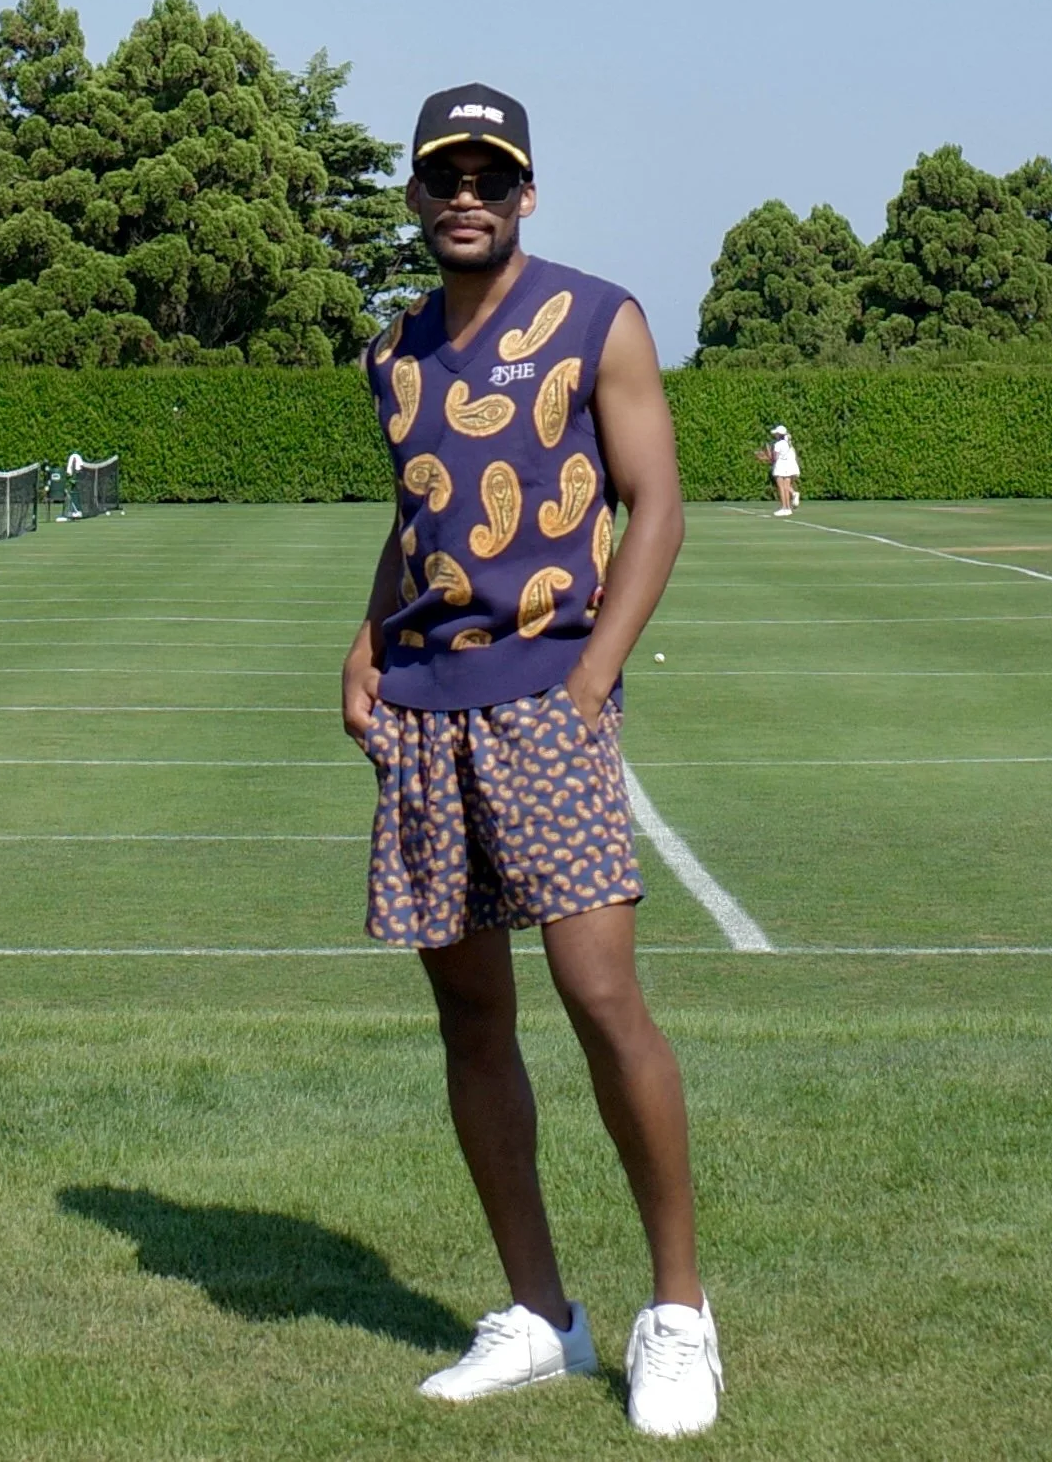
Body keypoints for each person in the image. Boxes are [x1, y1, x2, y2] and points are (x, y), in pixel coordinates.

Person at [341, 82, 722, 1439]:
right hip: (425, 709)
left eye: (489, 176)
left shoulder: (597, 317)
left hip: (546, 699)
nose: (466, 196)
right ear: (414, 193)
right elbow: (419, 511)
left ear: (526, 192)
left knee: (599, 994)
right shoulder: (391, 350)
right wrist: (365, 640)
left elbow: (656, 504)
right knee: (469, 1016)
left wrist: (591, 678)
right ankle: (538, 1313)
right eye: (444, 175)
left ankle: (677, 1313)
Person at [758, 423, 799, 516]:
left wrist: (764, 457)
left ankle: (784, 508)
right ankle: (788, 508)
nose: (775, 435)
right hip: (788, 467)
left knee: (781, 487)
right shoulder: (788, 443)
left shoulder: (778, 444)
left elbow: (774, 458)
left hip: (780, 466)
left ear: (779, 435)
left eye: (776, 434)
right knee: (786, 487)